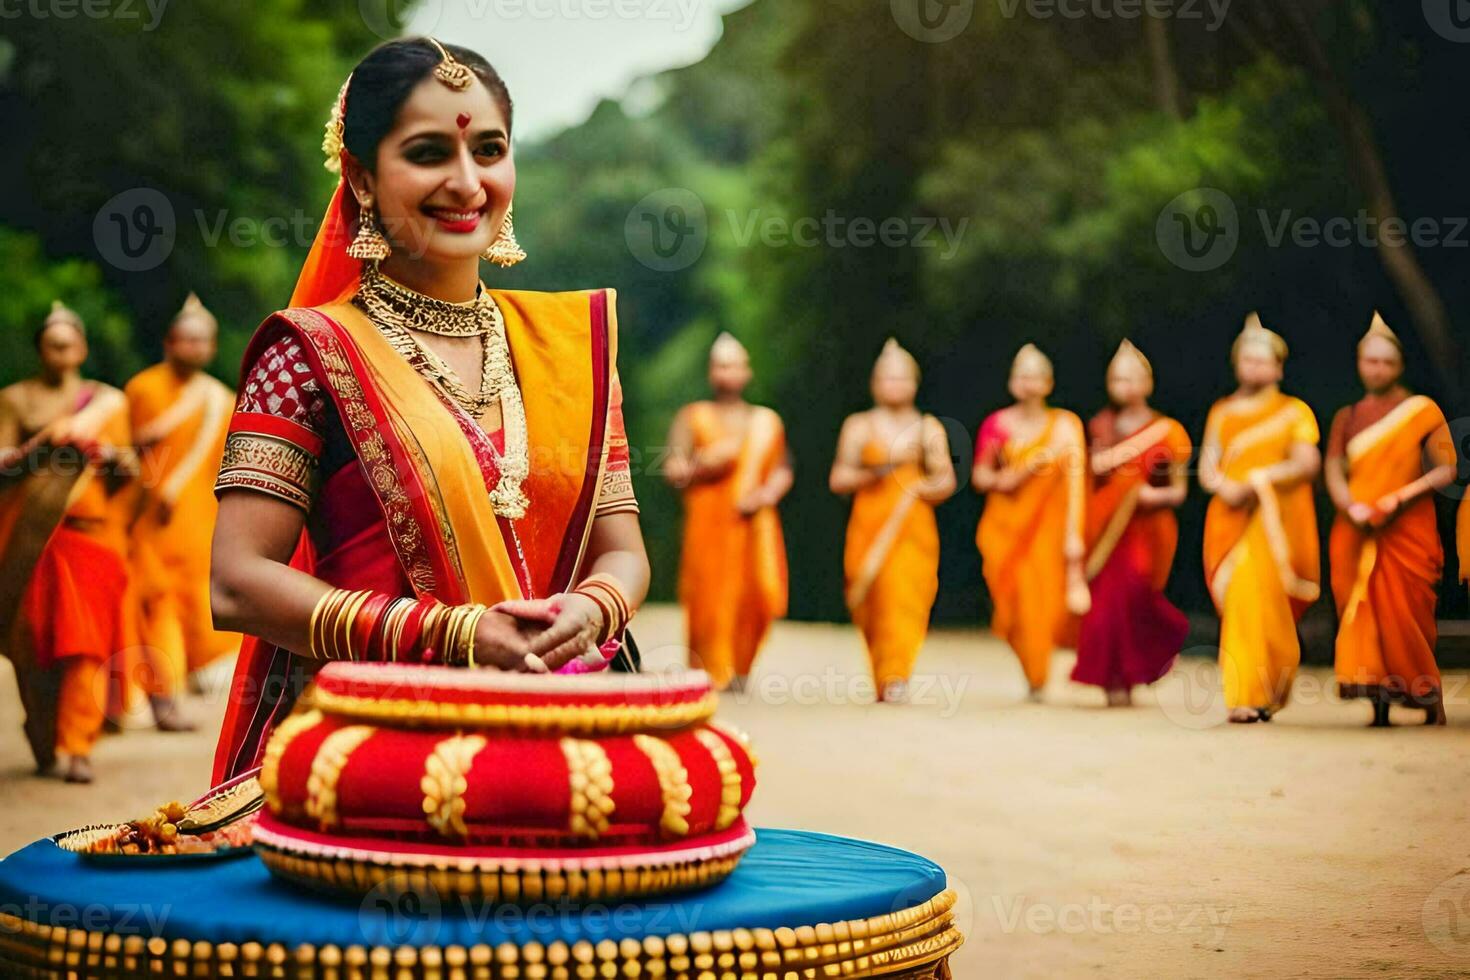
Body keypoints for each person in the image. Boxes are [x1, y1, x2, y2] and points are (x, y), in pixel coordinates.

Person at [209, 37, 650, 783]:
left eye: (488, 149)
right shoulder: (308, 354)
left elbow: (623, 550)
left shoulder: (571, 349)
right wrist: (457, 635)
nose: (467, 182)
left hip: (564, 726)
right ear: (361, 178)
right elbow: (237, 580)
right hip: (374, 739)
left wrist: (591, 613)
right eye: (427, 153)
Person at [0, 302, 139, 783]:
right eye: (51, 342)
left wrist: (111, 457)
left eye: (68, 342)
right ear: (40, 348)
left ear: (81, 347)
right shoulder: (16, 399)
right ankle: (42, 733)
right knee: (32, 643)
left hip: (90, 539)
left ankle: (79, 746)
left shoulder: (109, 402)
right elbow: (2, 466)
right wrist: (47, 443)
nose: (60, 350)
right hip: (31, 542)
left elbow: (130, 474)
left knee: (86, 645)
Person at [1325, 313, 1456, 726]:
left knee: (1408, 613)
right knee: (1361, 610)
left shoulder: (1421, 410)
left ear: (1399, 366)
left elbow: (1446, 470)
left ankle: (1427, 696)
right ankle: (1377, 704)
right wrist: (1351, 507)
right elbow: (1333, 467)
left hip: (1405, 525)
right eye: (1370, 360)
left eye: (1386, 361)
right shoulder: (1347, 416)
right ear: (1359, 363)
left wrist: (1398, 499)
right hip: (1356, 527)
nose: (1377, 368)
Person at [1199, 313, 1321, 724]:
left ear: (1279, 367)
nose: (1253, 366)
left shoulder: (1294, 412)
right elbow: (1207, 467)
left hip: (1275, 524)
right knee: (1239, 601)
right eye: (1246, 358)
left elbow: (1306, 464)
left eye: (1261, 359)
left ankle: (1268, 687)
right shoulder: (1221, 411)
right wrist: (1226, 488)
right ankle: (1243, 694)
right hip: (1229, 518)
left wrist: (1259, 480)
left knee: (1265, 603)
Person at [126, 292, 237, 730]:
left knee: (197, 614)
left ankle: (174, 689)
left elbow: (226, 468)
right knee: (154, 606)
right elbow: (122, 451)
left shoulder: (221, 400)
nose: (192, 348)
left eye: (201, 341)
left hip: (199, 525)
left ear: (211, 347)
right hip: (148, 521)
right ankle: (162, 698)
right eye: (184, 339)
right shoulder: (141, 389)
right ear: (169, 342)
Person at [830, 339, 956, 704]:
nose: (895, 385)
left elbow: (945, 479)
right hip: (869, 527)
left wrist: (918, 486)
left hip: (912, 530)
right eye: (887, 378)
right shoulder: (858, 426)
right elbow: (839, 479)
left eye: (902, 378)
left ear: (915, 383)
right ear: (874, 383)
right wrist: (886, 467)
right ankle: (882, 673)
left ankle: (897, 675)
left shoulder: (927, 428)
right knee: (872, 602)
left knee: (903, 599)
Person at [665, 333, 790, 692]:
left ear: (747, 372)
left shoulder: (767, 421)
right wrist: (706, 464)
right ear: (710, 373)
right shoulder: (693, 417)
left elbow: (783, 468)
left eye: (735, 365)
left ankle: (741, 669)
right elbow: (674, 470)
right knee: (707, 598)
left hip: (754, 525)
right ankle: (708, 672)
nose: (728, 372)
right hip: (708, 525)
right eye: (721, 365)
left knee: (759, 595)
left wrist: (766, 494)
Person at [1072, 340, 1191, 706]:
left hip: (1146, 531)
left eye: (1131, 379)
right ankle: (1112, 680)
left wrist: (1144, 497)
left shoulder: (1167, 430)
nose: (1124, 387)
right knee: (1108, 605)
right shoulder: (1099, 426)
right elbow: (1088, 476)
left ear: (1148, 383)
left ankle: (1139, 668)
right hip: (1105, 530)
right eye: (1116, 380)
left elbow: (1178, 492)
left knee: (1139, 597)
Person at [973, 344, 1089, 700]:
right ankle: (1031, 670)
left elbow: (1075, 483)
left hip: (1049, 531)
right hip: (1005, 528)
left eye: (1036, 376)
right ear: (1012, 383)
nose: (1029, 383)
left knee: (1045, 603)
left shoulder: (1065, 425)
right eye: (1022, 376)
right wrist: (1007, 480)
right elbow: (980, 477)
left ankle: (1039, 677)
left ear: (1049, 383)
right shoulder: (998, 425)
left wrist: (1074, 534)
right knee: (1013, 605)